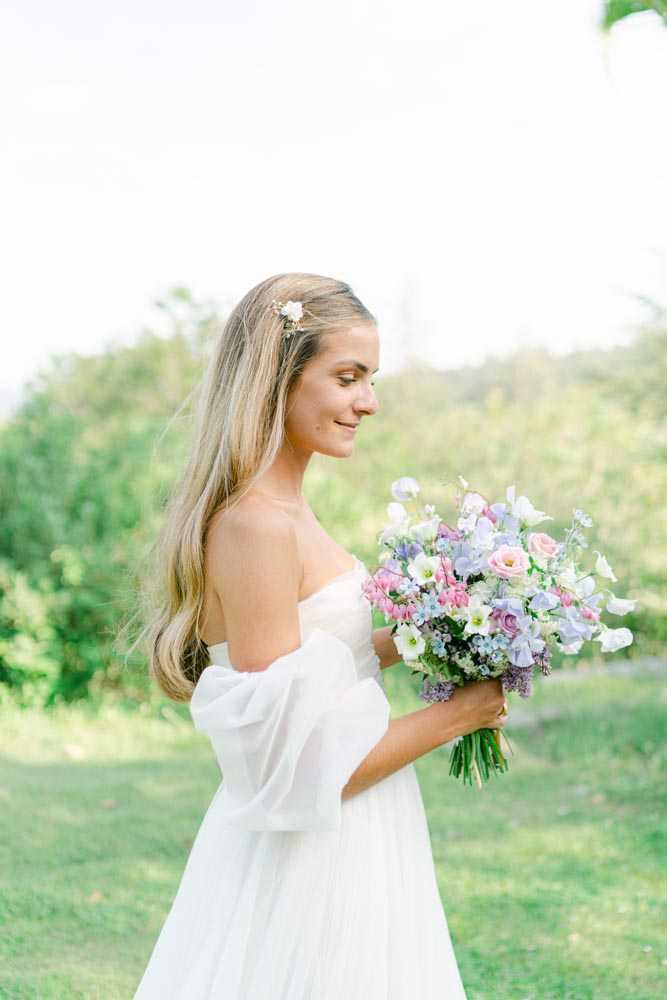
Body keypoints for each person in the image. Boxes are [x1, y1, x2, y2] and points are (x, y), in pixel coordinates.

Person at [131, 272, 509, 999]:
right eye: (347, 377)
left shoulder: (286, 510)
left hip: (359, 839)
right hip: (306, 862)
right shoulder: (255, 525)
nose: (367, 402)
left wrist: (422, 634)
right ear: (278, 377)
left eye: (369, 379)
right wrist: (460, 713)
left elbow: (317, 673)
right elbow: (298, 765)